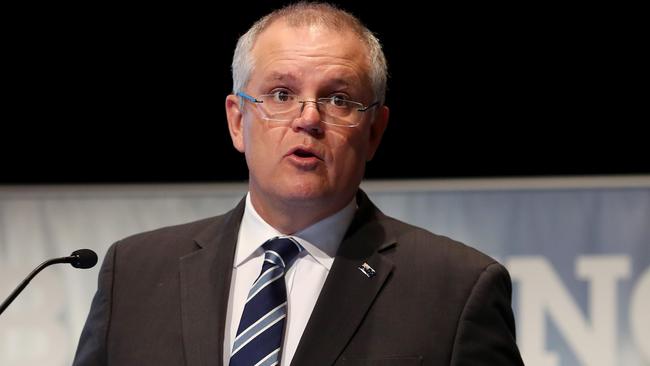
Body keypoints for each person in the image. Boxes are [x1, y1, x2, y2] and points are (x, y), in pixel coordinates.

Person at [73, 2, 524, 365]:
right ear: (237, 120)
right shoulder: (133, 274)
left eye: (338, 99)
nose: (308, 119)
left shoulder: (457, 290)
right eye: (282, 95)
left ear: (374, 131)